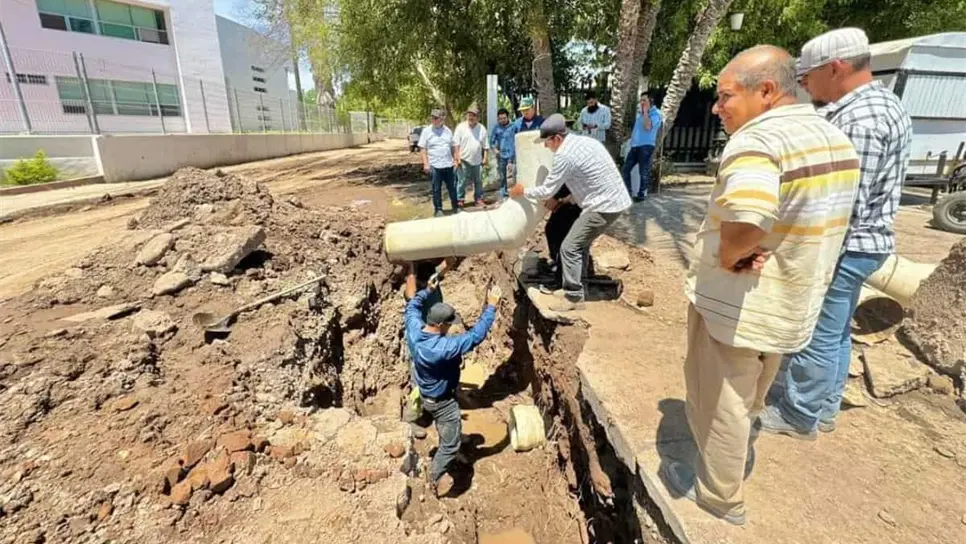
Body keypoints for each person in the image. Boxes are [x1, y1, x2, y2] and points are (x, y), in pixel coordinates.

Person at [661, 45, 861, 526]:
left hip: (739, 307)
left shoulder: (757, 141)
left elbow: (747, 220)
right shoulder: (834, 139)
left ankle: (719, 498)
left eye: (725, 95)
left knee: (721, 405)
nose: (716, 107)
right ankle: (728, 468)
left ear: (766, 91)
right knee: (750, 398)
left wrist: (731, 255)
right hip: (792, 302)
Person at [760, 28, 913, 439]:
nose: (806, 88)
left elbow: (843, 201)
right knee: (837, 329)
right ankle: (824, 408)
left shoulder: (861, 119)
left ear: (837, 67)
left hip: (846, 244)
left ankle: (798, 413)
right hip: (865, 244)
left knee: (816, 330)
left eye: (809, 79)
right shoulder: (877, 105)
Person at [509, 113, 631, 312]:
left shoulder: (565, 155)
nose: (546, 147)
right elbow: (587, 179)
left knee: (570, 248)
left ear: (557, 138)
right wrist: (567, 199)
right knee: (578, 245)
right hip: (610, 201)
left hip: (603, 206)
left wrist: (522, 191)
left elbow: (547, 191)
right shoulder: (584, 142)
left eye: (547, 143)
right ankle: (576, 285)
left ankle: (573, 297)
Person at [404, 267, 502, 497]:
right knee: (450, 444)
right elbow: (475, 336)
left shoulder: (415, 328)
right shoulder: (443, 349)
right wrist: (491, 307)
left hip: (424, 385)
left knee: (437, 413)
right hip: (442, 401)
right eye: (449, 324)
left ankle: (425, 423)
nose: (451, 327)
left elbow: (413, 305)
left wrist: (427, 290)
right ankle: (432, 477)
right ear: (440, 325)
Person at [541, 184, 584, 292]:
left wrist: (556, 197)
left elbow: (568, 179)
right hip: (571, 197)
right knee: (551, 229)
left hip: (577, 201)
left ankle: (561, 281)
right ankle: (557, 264)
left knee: (564, 241)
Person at [418, 108, 459, 217]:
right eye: (432, 117)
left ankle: (455, 207)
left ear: (442, 119)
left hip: (448, 164)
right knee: (436, 189)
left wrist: (456, 159)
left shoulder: (448, 131)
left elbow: (453, 146)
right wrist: (425, 164)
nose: (433, 120)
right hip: (435, 165)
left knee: (453, 187)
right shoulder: (427, 131)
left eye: (436, 118)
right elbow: (422, 148)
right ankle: (438, 209)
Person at [622, 92, 662, 201]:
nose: (642, 103)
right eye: (641, 100)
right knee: (625, 170)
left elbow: (648, 126)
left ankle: (641, 194)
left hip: (646, 146)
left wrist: (645, 112)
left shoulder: (656, 114)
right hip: (635, 146)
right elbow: (638, 129)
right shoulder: (641, 114)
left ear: (651, 101)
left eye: (644, 100)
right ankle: (628, 192)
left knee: (643, 172)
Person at [453, 103, 490, 208]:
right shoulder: (461, 127)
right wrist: (457, 157)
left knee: (478, 181)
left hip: (477, 160)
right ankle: (460, 199)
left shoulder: (481, 128)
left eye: (473, 115)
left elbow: (485, 145)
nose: (471, 117)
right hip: (463, 159)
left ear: (478, 117)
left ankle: (479, 199)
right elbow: (456, 144)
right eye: (469, 115)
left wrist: (485, 158)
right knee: (462, 181)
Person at [490, 108, 514, 199]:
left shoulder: (513, 126)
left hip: (513, 156)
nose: (502, 120)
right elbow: (491, 142)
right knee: (502, 176)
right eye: (500, 118)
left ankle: (515, 193)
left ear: (508, 117)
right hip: (502, 156)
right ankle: (504, 193)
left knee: (514, 175)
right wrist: (496, 150)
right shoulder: (496, 127)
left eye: (504, 118)